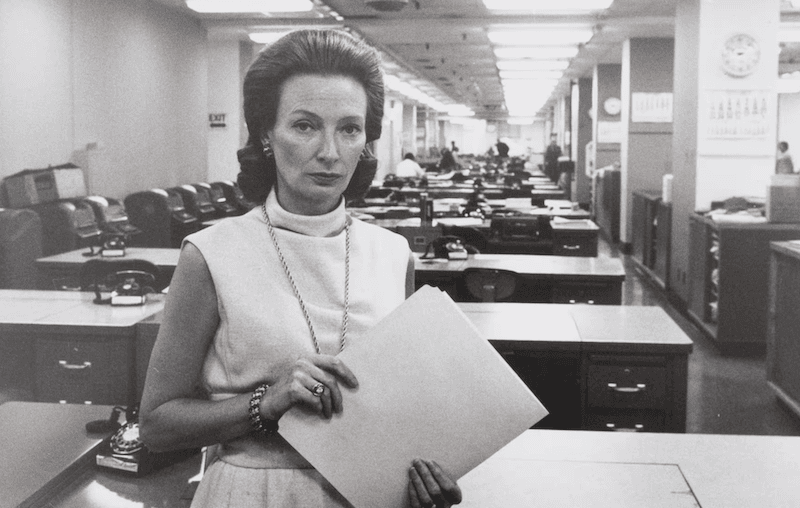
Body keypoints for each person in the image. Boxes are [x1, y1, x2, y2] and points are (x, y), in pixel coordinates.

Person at [139, 29, 462, 508]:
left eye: (349, 129)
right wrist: (263, 403)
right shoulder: (210, 254)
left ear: (366, 141)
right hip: (257, 491)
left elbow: (406, 405)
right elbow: (157, 425)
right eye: (306, 125)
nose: (330, 152)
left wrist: (431, 469)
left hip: (372, 494)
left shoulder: (394, 254)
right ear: (266, 134)